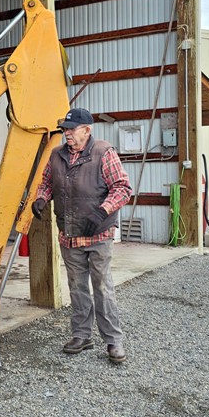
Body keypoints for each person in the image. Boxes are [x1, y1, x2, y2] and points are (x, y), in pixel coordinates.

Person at [32, 107, 132, 363]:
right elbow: (46, 183)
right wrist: (41, 199)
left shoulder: (103, 153)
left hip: (98, 234)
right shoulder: (56, 155)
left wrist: (102, 211)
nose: (67, 134)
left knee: (102, 286)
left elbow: (122, 188)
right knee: (77, 287)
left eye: (71, 129)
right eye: (65, 129)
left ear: (87, 130)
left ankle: (113, 341)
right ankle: (81, 335)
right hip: (70, 235)